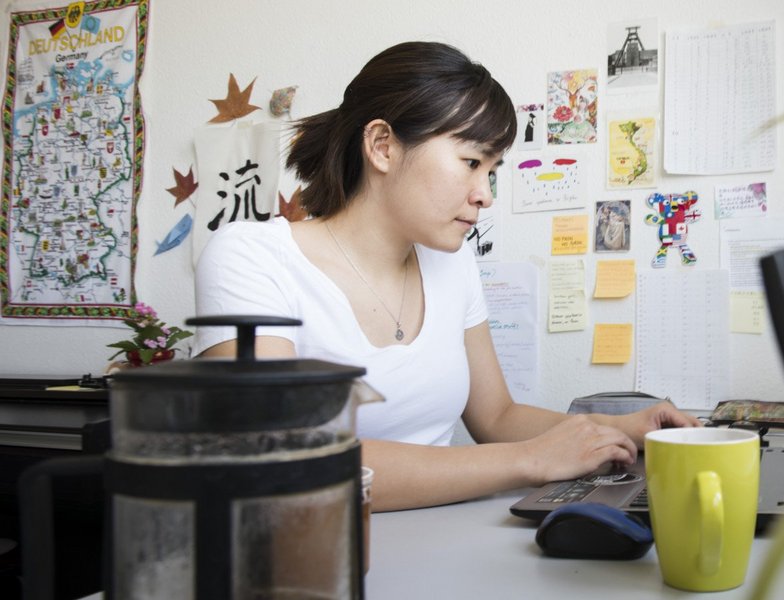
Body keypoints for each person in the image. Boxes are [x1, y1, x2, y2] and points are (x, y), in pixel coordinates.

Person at [193, 41, 700, 512]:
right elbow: (283, 457)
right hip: (311, 556)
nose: (485, 194)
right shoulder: (252, 257)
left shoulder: (451, 261)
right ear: (382, 146)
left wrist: (618, 428)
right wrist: (531, 460)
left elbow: (496, 417)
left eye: (493, 170)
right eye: (471, 161)